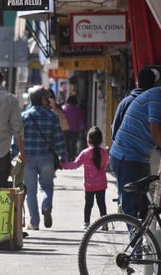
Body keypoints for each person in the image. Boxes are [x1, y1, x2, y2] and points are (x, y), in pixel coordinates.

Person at [110, 76, 161, 218]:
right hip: (127, 157)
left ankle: (141, 237)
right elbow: (156, 133)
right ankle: (134, 239)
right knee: (132, 209)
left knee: (143, 207)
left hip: (139, 157)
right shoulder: (158, 99)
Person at [21, 86, 67, 230]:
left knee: (31, 191)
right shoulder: (51, 116)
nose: (48, 101)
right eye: (46, 98)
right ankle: (46, 207)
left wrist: (15, 152)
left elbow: (17, 138)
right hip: (46, 158)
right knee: (47, 186)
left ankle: (34, 223)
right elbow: (59, 139)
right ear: (41, 99)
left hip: (28, 158)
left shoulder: (24, 116)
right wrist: (63, 155)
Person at [61, 126, 109, 229]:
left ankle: (86, 222)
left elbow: (75, 164)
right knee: (101, 204)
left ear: (88, 140)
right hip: (101, 184)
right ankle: (104, 224)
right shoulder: (104, 153)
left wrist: (63, 165)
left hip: (89, 185)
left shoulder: (85, 153)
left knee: (88, 205)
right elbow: (105, 164)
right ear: (101, 140)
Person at [111, 68, 156, 141]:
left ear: (137, 83)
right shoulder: (157, 104)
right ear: (154, 84)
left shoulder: (125, 103)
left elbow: (115, 132)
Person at [62, 95, 86, 161]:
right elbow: (81, 119)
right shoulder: (78, 109)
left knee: (66, 143)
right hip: (75, 129)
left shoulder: (63, 108)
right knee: (74, 143)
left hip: (65, 128)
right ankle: (72, 156)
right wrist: (83, 128)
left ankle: (68, 156)